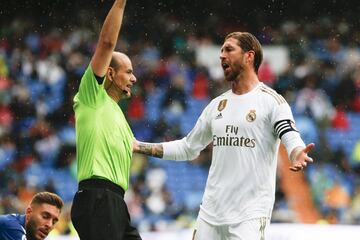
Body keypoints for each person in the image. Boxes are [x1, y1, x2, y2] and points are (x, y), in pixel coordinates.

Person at [133, 32, 315, 240]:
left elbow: (289, 133)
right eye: (221, 51)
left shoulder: (271, 101)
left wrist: (296, 151)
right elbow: (187, 148)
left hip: (249, 216)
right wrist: (139, 146)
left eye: (228, 49)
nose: (222, 55)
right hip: (210, 214)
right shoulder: (216, 106)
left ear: (249, 56)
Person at [69, 0, 141, 240]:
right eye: (128, 71)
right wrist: (121, 3)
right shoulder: (92, 96)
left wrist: (189, 147)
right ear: (110, 73)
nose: (134, 78)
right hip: (97, 198)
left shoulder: (119, 116)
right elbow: (107, 43)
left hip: (116, 203)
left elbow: (137, 146)